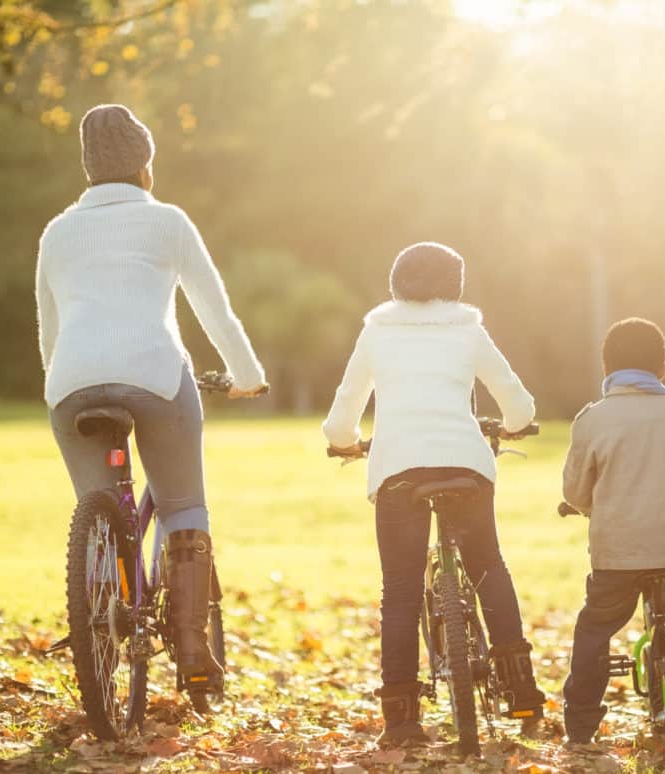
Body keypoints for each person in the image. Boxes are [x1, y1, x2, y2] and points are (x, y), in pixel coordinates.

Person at [36, 104, 268, 695]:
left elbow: (49, 331)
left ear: (87, 168)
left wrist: (65, 383)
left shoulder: (58, 231)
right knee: (183, 503)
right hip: (156, 377)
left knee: (97, 505)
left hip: (70, 385)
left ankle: (100, 601)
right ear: (145, 164)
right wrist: (247, 376)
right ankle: (191, 647)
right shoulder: (167, 221)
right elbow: (215, 311)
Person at [322, 241, 546, 746]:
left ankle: (401, 720)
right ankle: (522, 690)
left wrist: (346, 444)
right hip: (466, 464)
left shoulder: (376, 332)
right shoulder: (468, 330)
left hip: (399, 470)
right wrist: (512, 427)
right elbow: (519, 403)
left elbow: (342, 414)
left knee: (400, 592)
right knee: (489, 570)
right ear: (456, 285)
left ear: (395, 284)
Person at [560, 317, 665, 745]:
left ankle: (581, 723)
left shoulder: (592, 420)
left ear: (607, 369)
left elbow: (576, 490)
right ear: (662, 367)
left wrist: (584, 507)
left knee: (596, 628)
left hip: (617, 553)